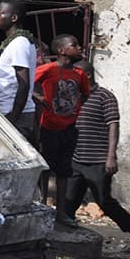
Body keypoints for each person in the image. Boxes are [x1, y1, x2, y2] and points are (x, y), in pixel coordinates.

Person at [66, 60, 130, 239]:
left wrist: (111, 157)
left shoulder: (105, 96)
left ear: (86, 76)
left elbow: (113, 126)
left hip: (98, 160)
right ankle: (66, 237)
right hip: (76, 159)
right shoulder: (74, 97)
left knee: (104, 202)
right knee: (69, 203)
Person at [33, 34, 90, 227]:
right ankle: (41, 205)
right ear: (62, 50)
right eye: (74, 45)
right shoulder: (47, 70)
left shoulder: (79, 74)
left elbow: (84, 94)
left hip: (69, 127)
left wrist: (74, 111)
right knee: (45, 168)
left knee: (64, 170)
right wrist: (37, 97)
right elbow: (24, 82)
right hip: (49, 126)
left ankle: (61, 212)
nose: (79, 47)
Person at [0, 0, 37, 140]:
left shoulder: (19, 43)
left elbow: (23, 84)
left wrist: (13, 117)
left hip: (18, 114)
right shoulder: (14, 43)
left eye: (1, 12)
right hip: (12, 111)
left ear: (14, 18)